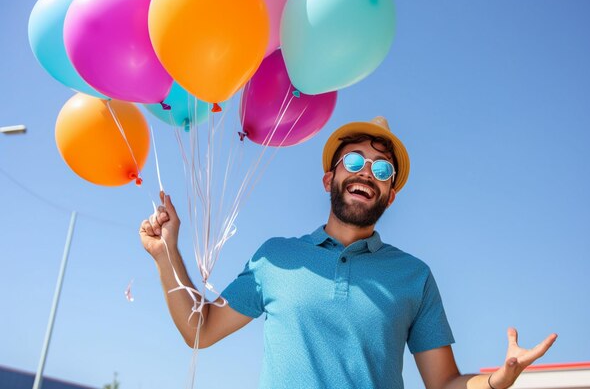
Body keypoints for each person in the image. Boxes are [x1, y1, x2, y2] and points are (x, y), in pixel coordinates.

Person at [139, 117, 557, 389]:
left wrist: (498, 380)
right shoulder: (275, 256)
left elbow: (443, 382)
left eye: (382, 170)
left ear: (390, 196)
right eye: (354, 160)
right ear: (328, 179)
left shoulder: (415, 276)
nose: (365, 173)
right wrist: (166, 254)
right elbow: (201, 329)